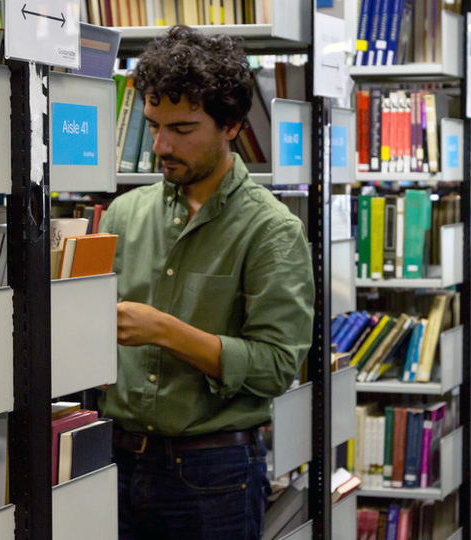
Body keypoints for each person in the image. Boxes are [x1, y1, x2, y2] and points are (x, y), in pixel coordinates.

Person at [98, 25, 315, 540]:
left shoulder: (273, 230)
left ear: (232, 125)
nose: (162, 145)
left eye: (183, 128)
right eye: (153, 126)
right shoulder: (123, 215)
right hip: (114, 461)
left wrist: (164, 331)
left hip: (213, 477)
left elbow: (277, 368)